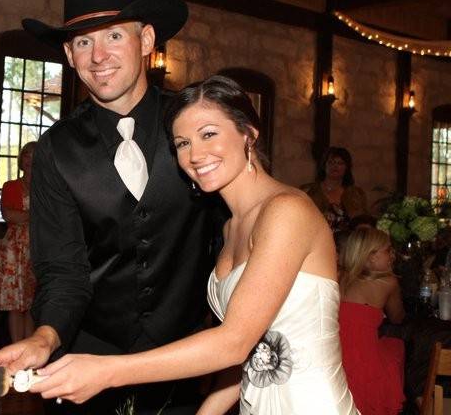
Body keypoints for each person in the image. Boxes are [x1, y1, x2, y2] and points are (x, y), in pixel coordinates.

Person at [22, 76, 358, 415]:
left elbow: (235, 342)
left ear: (249, 134)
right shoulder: (231, 227)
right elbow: (257, 348)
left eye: (209, 134)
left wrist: (107, 371)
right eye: (182, 143)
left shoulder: (287, 211)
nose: (195, 154)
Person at [0, 0, 225, 414]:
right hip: (84, 365)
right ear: (69, 56)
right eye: (83, 42)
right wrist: (44, 335)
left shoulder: (195, 124)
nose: (98, 56)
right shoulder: (56, 150)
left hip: (181, 367)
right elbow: (62, 271)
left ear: (147, 41)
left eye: (114, 36)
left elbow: (232, 235)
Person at [338, 226, 405, 415]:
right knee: (397, 349)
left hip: (336, 356)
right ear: (370, 256)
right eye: (388, 250)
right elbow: (397, 317)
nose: (393, 255)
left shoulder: (337, 277)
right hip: (365, 361)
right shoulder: (388, 283)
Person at [0, 141, 37, 343]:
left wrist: (25, 215)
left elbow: (53, 216)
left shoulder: (48, 187)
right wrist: (36, 214)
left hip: (38, 247)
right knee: (15, 304)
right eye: (27, 155)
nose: (30, 160)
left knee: (32, 304)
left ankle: (30, 347)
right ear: (21, 159)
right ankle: (17, 347)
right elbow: (10, 216)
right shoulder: (11, 186)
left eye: (35, 155)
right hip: (15, 250)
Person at [302, 147, 367, 233]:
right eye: (331, 162)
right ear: (324, 165)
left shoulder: (356, 194)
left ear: (347, 168)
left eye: (340, 163)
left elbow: (363, 222)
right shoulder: (308, 191)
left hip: (348, 242)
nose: (335, 166)